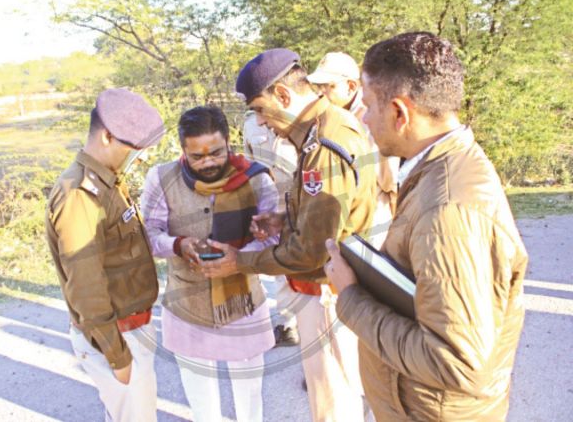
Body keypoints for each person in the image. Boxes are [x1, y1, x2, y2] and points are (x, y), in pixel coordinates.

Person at [325, 32, 529, 421]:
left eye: (367, 106)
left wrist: (350, 296)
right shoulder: (438, 169)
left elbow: (457, 363)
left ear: (400, 113)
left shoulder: (449, 210)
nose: (363, 119)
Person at [200, 48, 378, 422]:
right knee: (329, 392)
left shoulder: (324, 143)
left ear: (283, 96)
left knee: (333, 402)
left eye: (260, 110)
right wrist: (285, 218)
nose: (261, 123)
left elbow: (313, 252)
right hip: (328, 285)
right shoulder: (321, 130)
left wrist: (240, 262)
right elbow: (326, 214)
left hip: (328, 291)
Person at [140, 105, 276, 422]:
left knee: (250, 398)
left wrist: (239, 259)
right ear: (182, 150)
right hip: (188, 304)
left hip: (243, 302)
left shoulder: (257, 178)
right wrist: (178, 244)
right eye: (197, 157)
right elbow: (148, 234)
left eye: (215, 153)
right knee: (202, 402)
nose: (208, 163)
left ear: (230, 142)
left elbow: (273, 240)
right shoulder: (161, 178)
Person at [45, 88, 164, 422]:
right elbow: (86, 285)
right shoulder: (81, 196)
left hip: (132, 328)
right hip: (117, 336)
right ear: (108, 137)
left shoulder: (107, 181)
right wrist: (117, 356)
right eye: (134, 148)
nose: (139, 158)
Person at [308, 52, 399, 246]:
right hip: (339, 224)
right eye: (319, 86)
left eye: (329, 86)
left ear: (351, 86)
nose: (321, 93)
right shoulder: (325, 119)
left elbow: (391, 182)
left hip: (374, 225)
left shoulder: (373, 117)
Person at [242, 111, 300, 347]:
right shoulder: (250, 125)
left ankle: (316, 326)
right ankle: (289, 325)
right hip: (272, 205)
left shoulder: (294, 120)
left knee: (307, 265)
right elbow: (251, 166)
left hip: (300, 204)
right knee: (280, 270)